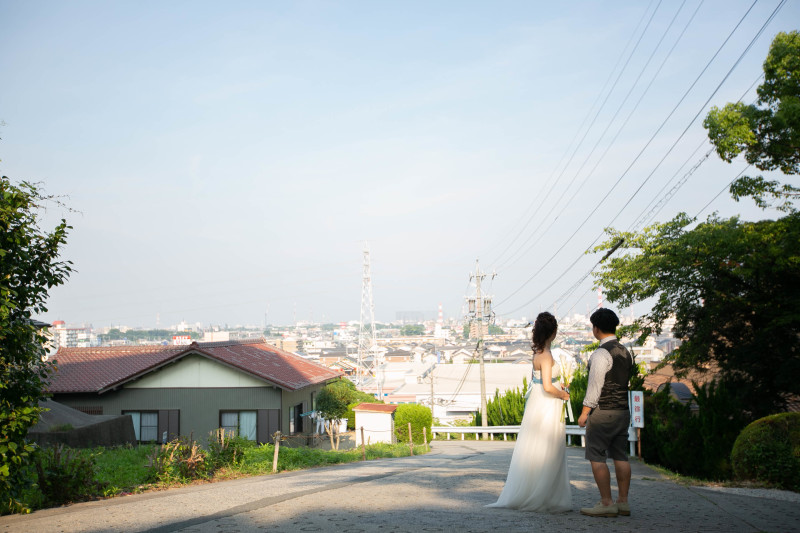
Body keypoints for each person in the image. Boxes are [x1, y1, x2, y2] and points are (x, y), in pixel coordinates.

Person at [487, 311, 572, 512]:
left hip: (537, 402)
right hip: (548, 403)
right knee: (548, 447)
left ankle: (535, 490)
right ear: (553, 332)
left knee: (535, 447)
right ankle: (544, 495)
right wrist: (563, 394)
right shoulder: (547, 355)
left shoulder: (538, 352)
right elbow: (548, 387)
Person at [578, 308, 633, 518]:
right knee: (621, 455)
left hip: (603, 412)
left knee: (597, 456)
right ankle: (623, 502)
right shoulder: (626, 352)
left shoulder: (601, 353)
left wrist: (585, 413)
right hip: (622, 411)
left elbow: (595, 387)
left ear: (596, 328)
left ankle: (606, 502)